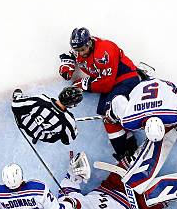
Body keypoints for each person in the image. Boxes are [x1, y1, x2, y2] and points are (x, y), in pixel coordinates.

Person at [58, 27, 140, 159]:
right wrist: (68, 64)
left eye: (83, 49)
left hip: (125, 79)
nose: (81, 53)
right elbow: (70, 55)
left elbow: (106, 84)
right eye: (77, 50)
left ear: (89, 43)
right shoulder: (79, 50)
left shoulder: (104, 52)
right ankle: (129, 151)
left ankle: (127, 152)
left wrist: (84, 84)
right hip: (113, 84)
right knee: (107, 116)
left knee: (111, 115)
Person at [11, 87, 82, 145]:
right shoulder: (69, 121)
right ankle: (38, 136)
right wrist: (73, 126)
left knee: (23, 107)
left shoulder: (41, 99)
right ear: (72, 105)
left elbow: (15, 106)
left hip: (24, 124)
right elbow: (67, 141)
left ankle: (18, 98)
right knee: (59, 133)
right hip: (42, 136)